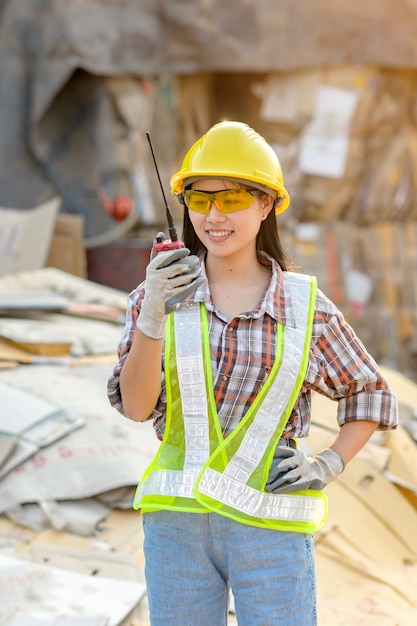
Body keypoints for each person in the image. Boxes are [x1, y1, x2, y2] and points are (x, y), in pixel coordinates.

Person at [107, 121, 398, 626]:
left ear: (266, 205)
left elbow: (369, 394)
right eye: (200, 200)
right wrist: (152, 317)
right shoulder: (154, 298)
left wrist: (327, 464)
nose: (214, 216)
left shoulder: (305, 308)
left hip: (270, 527)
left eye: (233, 198)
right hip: (177, 530)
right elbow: (135, 407)